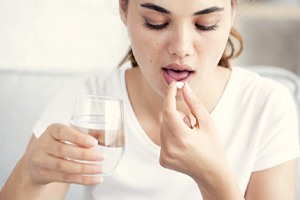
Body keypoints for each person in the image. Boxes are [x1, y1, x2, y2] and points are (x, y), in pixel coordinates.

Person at [1, 0, 299, 199]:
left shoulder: (266, 107)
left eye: (205, 24)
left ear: (233, 11)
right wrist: (30, 173)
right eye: (156, 22)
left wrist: (214, 179)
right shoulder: (86, 105)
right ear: (124, 9)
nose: (181, 49)